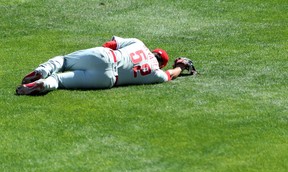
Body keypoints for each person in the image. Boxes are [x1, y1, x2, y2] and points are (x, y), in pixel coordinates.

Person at [16, 36, 195, 95]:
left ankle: (42, 71)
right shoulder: (155, 72)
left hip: (105, 56)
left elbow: (110, 44)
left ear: (154, 51)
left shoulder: (139, 44)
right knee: (60, 81)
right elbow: (170, 75)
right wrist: (180, 66)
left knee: (63, 61)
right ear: (161, 64)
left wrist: (94, 57)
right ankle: (44, 84)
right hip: (107, 80)